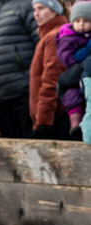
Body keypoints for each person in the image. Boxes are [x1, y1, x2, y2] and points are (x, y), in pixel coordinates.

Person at [0, 0, 39, 138]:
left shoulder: (27, 5)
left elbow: (40, 45)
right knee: (9, 150)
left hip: (24, 93)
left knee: (31, 145)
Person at [30, 0, 70, 139]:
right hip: (52, 115)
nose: (36, 14)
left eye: (41, 8)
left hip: (55, 117)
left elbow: (52, 79)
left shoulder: (54, 36)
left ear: (55, 10)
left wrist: (44, 120)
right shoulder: (47, 35)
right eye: (34, 9)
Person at [56, 1, 91, 138]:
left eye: (86, 21)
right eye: (78, 21)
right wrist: (85, 53)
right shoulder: (68, 38)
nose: (81, 24)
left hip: (84, 75)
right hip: (74, 73)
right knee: (72, 95)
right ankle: (75, 123)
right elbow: (68, 59)